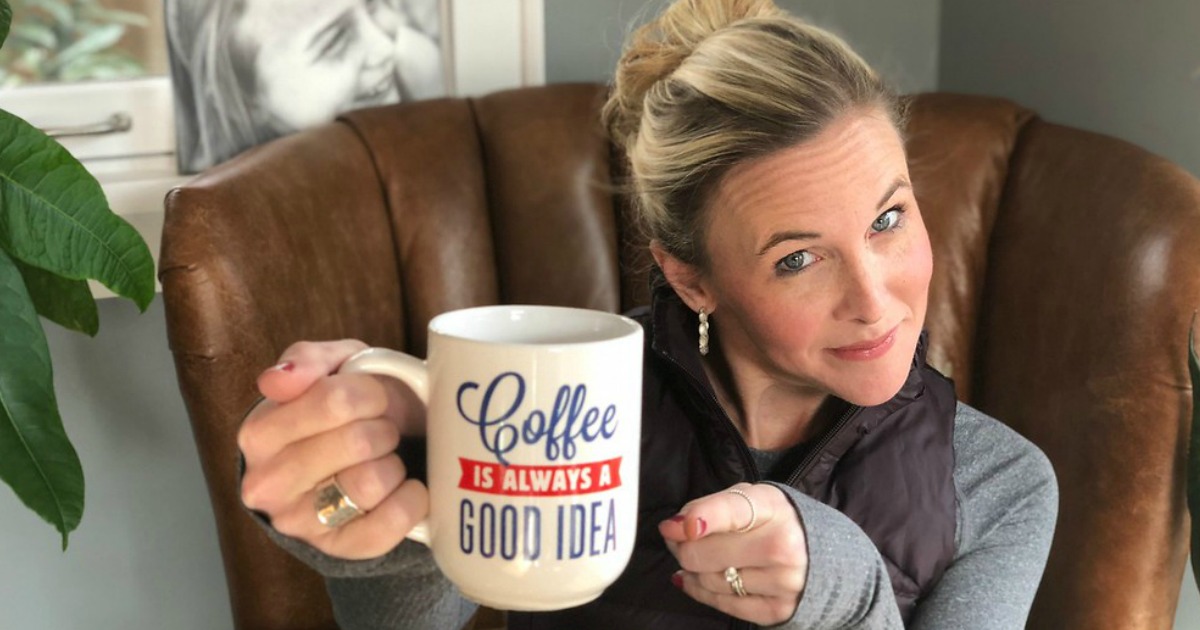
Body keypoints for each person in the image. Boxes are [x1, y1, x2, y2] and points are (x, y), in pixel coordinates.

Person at [235, 0, 1059, 627]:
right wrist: (367, 495)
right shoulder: (554, 414)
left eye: (888, 220)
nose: (878, 301)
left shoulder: (1002, 484)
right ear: (691, 278)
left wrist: (841, 587)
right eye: (798, 259)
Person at [166, 0, 445, 173]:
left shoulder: (419, 72)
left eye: (373, 3)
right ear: (247, 103)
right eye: (334, 41)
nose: (384, 48)